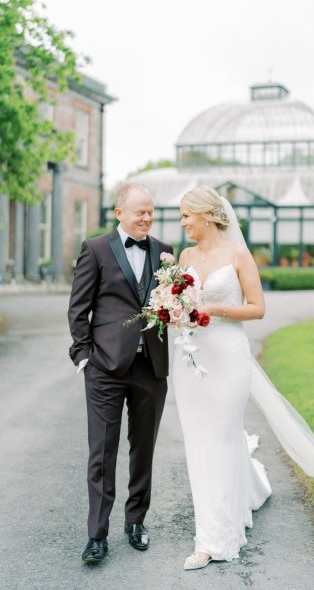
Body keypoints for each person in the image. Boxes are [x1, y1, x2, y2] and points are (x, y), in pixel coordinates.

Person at [172, 186, 314, 571]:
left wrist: (213, 308)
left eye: (187, 215)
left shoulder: (238, 254)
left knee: (222, 436)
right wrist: (173, 311)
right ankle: (237, 498)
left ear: (207, 215)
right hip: (190, 359)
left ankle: (214, 538)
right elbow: (177, 299)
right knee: (198, 440)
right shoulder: (185, 256)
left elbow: (258, 309)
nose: (182, 222)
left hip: (228, 357)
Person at [68, 183, 173, 564]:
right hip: (104, 370)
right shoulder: (95, 249)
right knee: (102, 453)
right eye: (139, 212)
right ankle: (97, 535)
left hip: (151, 368)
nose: (146, 218)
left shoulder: (165, 253)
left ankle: (136, 522)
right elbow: (78, 308)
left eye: (150, 212)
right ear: (119, 213)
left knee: (143, 450)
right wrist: (84, 357)